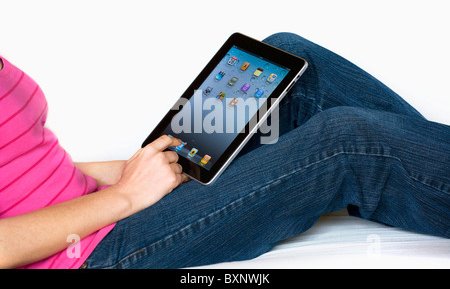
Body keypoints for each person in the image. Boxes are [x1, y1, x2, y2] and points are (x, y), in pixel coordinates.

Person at [0, 33, 449, 269]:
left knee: (286, 61)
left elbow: (19, 157)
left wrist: (128, 171)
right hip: (90, 253)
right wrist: (125, 197)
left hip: (98, 204)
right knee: (345, 140)